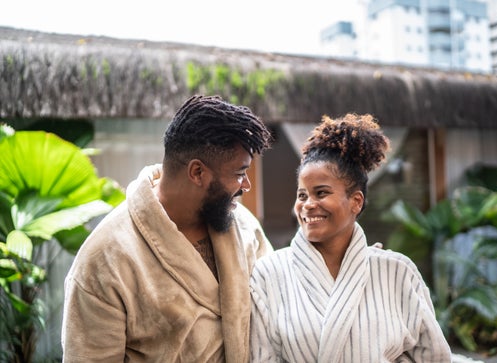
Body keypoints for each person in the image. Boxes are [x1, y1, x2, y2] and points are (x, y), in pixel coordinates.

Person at [62, 95, 274, 363]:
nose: (246, 186)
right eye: (239, 173)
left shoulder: (244, 227)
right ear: (197, 172)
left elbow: (275, 314)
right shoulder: (105, 258)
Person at [249, 113, 452, 362]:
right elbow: (261, 357)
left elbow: (434, 356)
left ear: (356, 201)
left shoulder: (397, 272)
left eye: (321, 193)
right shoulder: (269, 273)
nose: (308, 205)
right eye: (302, 195)